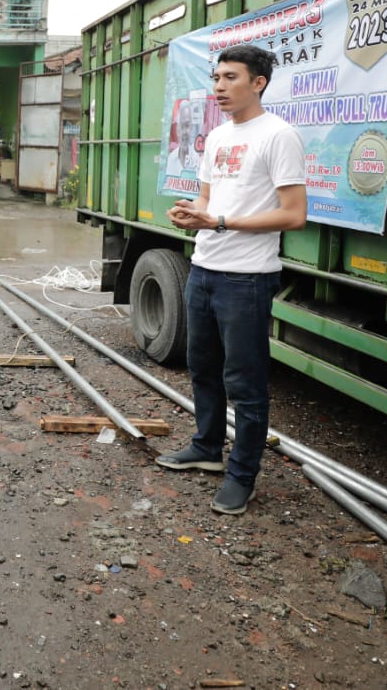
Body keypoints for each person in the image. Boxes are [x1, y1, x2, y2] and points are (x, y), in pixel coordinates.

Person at [158, 45, 307, 515]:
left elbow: (293, 215)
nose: (219, 87)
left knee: (245, 382)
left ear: (258, 82)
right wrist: (191, 214)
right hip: (204, 269)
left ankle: (242, 475)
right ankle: (205, 448)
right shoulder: (219, 136)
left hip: (247, 279)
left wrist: (220, 221)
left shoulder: (279, 135)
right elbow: (208, 200)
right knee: (201, 367)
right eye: (216, 77)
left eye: (230, 77)